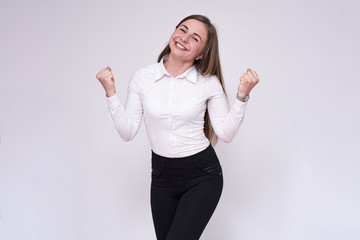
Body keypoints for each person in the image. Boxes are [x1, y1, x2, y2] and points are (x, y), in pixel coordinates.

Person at [96, 14, 259, 240]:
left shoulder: (208, 83)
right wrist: (111, 94)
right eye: (182, 30)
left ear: (201, 53)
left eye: (194, 38)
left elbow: (226, 134)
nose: (184, 38)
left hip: (202, 175)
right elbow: (128, 132)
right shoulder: (143, 78)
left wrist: (242, 97)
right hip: (162, 176)